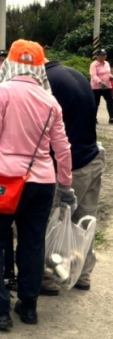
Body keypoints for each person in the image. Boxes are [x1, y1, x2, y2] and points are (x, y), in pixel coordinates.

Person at [0, 39, 74, 331]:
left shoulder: (2, 92)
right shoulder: (51, 101)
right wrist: (66, 185)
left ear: (10, 63)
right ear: (40, 66)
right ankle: (28, 306)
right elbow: (62, 148)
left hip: (5, 179)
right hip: (43, 182)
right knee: (32, 241)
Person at [40, 58, 104, 294]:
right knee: (84, 221)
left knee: (52, 222)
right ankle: (82, 275)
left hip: (69, 165)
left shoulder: (47, 83)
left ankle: (47, 279)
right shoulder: (75, 74)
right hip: (92, 158)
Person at [90, 49, 113, 124]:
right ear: (98, 56)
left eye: (105, 55)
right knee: (96, 103)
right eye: (102, 55)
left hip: (107, 86)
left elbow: (107, 73)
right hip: (97, 87)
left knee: (110, 101)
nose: (104, 56)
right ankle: (93, 118)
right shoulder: (94, 64)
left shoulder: (106, 63)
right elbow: (93, 75)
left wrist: (111, 76)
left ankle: (111, 117)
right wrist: (100, 82)